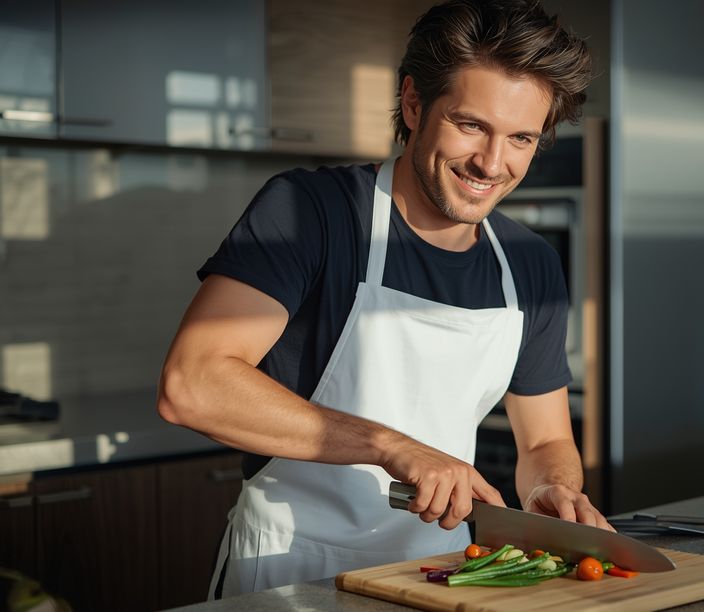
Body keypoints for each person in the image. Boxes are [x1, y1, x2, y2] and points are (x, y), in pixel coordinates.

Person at [155, 0, 608, 599]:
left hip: (443, 573)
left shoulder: (529, 263)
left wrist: (550, 488)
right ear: (415, 104)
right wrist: (392, 446)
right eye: (471, 125)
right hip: (287, 571)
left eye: (520, 138)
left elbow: (546, 441)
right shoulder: (308, 212)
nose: (492, 164)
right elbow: (193, 385)